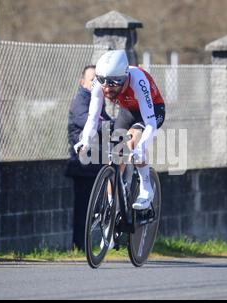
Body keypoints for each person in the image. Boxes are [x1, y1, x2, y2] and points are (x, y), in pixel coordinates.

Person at [74, 50, 165, 210]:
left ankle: (146, 189)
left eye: (114, 83)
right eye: (104, 81)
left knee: (130, 144)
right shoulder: (98, 84)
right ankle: (111, 206)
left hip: (151, 111)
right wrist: (85, 141)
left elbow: (150, 123)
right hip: (128, 111)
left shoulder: (138, 80)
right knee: (116, 157)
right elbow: (92, 118)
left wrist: (140, 148)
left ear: (125, 77)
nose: (108, 88)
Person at [66, 65, 112, 250]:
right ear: (82, 82)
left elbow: (106, 124)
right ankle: (80, 246)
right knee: (84, 210)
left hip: (96, 165)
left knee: (96, 209)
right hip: (83, 166)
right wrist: (118, 124)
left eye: (98, 80)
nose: (95, 83)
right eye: (91, 79)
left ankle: (93, 244)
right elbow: (94, 125)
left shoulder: (99, 103)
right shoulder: (80, 103)